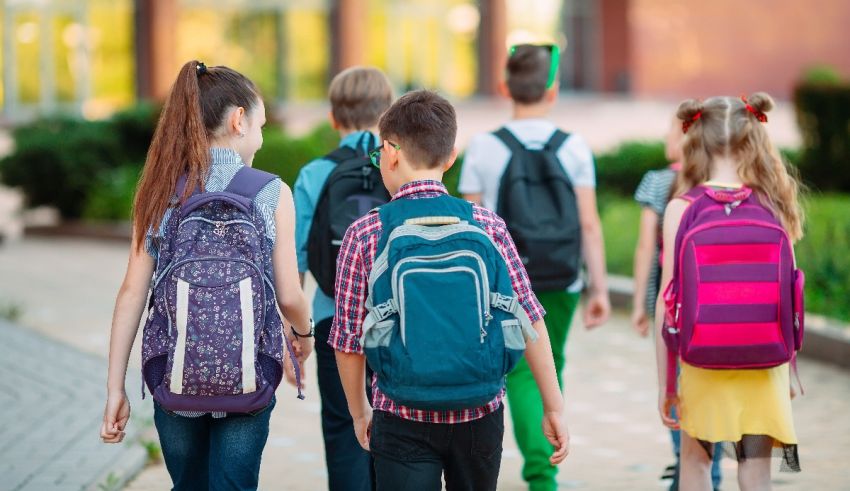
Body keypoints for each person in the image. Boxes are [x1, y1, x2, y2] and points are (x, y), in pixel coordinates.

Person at [331, 90, 569, 490]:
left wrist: (360, 412)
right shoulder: (487, 225)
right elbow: (529, 316)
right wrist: (554, 406)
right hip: (480, 411)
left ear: (390, 153)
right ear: (451, 156)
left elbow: (348, 340)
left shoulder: (366, 232)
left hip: (400, 412)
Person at [100, 60, 314, 490]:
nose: (261, 137)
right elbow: (290, 295)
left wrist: (115, 388)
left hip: (174, 375)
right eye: (260, 126)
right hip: (248, 378)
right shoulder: (272, 192)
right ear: (239, 120)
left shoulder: (160, 190)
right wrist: (303, 336)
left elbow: (131, 294)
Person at [459, 43, 610, 491]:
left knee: (522, 371)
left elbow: (471, 226)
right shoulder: (574, 147)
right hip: (563, 275)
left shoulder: (484, 147)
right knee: (552, 361)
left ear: (504, 87)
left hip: (506, 280)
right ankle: (546, 469)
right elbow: (589, 223)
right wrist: (599, 288)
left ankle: (542, 473)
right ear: (553, 90)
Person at [655, 93, 803, 491]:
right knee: (755, 471)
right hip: (765, 363)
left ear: (695, 140)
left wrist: (667, 383)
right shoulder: (773, 204)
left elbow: (666, 304)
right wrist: (790, 368)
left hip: (702, 363)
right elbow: (789, 293)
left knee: (696, 464)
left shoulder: (682, 208)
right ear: (754, 139)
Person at [294, 66, 393, 491]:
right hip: (397, 319)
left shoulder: (315, 173)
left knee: (343, 425)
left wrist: (294, 330)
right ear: (388, 113)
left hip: (332, 319)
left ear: (333, 117)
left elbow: (297, 258)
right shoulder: (399, 166)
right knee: (397, 428)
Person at [632, 117, 723, 490]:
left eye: (670, 132)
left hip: (670, 305)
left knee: (675, 384)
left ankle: (688, 464)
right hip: (714, 307)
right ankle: (710, 468)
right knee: (710, 385)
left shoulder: (657, 181)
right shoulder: (717, 184)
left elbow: (645, 247)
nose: (665, 139)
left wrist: (640, 303)